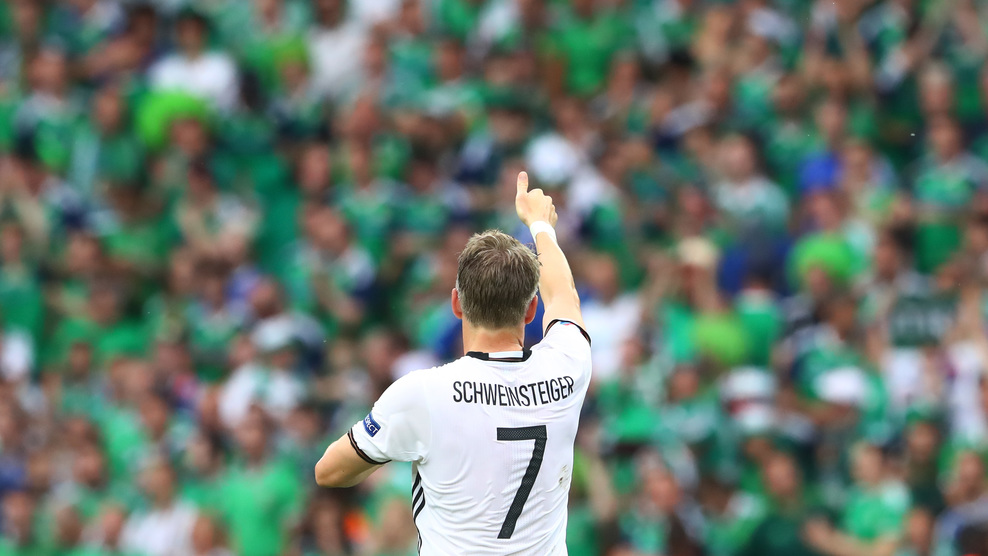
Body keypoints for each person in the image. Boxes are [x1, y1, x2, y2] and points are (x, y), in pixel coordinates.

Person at [315, 171, 591, 555]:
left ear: (457, 304)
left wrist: (397, 444)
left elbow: (328, 471)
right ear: (530, 310)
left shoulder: (424, 393)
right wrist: (541, 224)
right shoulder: (567, 368)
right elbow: (564, 295)